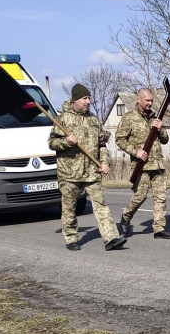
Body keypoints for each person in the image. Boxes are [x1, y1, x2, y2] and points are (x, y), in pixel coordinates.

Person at [48, 83, 126, 252]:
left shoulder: (93, 120)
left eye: (89, 98)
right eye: (84, 98)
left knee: (101, 204)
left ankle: (111, 238)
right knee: (69, 207)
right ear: (75, 99)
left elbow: (102, 144)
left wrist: (105, 162)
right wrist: (66, 142)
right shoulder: (63, 119)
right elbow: (52, 143)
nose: (88, 101)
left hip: (91, 171)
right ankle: (71, 238)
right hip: (70, 173)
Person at [116, 88, 170, 240]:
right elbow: (120, 140)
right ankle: (126, 216)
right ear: (138, 100)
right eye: (147, 100)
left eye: (151, 101)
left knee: (161, 197)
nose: (150, 103)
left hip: (158, 164)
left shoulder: (156, 117)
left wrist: (161, 129)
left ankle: (159, 229)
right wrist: (136, 151)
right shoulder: (129, 118)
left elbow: (165, 140)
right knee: (140, 196)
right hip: (141, 165)